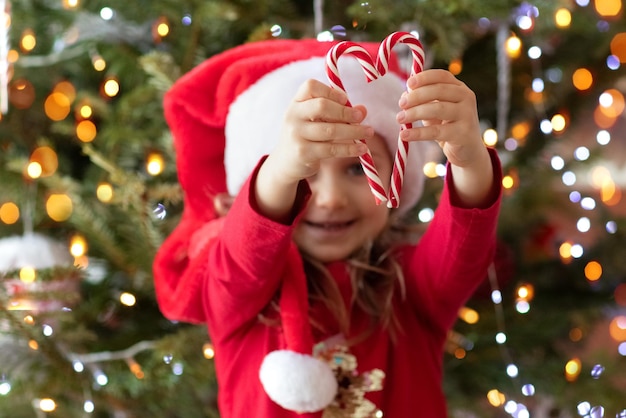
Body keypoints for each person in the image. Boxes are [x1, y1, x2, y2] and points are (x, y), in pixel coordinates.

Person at [153, 37, 502, 418]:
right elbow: (244, 252)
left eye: (357, 168)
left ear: (397, 177)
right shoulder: (239, 295)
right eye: (306, 176)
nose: (331, 199)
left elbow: (465, 243)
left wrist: (470, 161)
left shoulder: (410, 286)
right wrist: (283, 168)